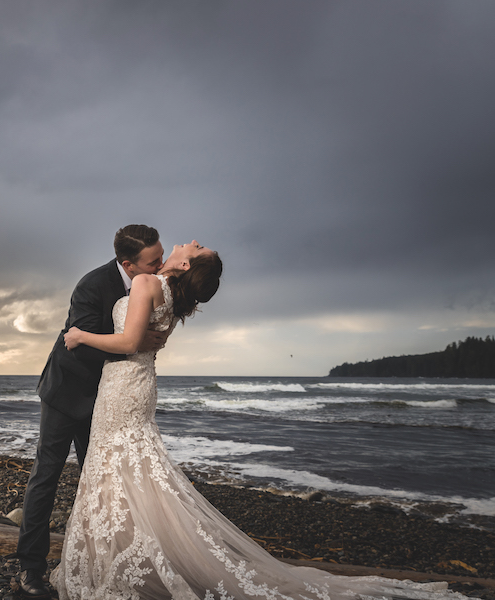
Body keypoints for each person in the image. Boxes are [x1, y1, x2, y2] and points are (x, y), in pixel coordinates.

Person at [50, 241, 467, 600]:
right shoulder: (174, 296)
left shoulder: (145, 283)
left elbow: (127, 341)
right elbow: (143, 337)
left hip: (123, 385)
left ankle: (121, 561)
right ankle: (126, 553)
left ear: (185, 265)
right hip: (136, 384)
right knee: (129, 470)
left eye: (195, 248)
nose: (190, 242)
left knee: (120, 469)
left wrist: (79, 335)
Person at [17, 224, 169, 598]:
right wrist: (134, 345)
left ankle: (100, 568)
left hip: (108, 399)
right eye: (153, 261)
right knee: (46, 477)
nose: (160, 265)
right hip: (67, 392)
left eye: (162, 256)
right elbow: (79, 345)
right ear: (128, 264)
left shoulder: (151, 282)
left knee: (100, 485)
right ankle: (29, 570)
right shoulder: (92, 285)